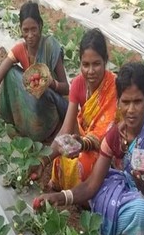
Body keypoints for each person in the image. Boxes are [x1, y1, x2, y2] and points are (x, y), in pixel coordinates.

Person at [37, 62, 144, 235]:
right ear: (118, 102)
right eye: (125, 102)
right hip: (129, 194)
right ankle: (128, 231)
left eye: (137, 102)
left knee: (142, 211)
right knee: (100, 189)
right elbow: (91, 185)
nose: (131, 110)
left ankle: (132, 234)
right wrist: (59, 198)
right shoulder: (116, 135)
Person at [0, 1, 69, 142]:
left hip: (56, 104)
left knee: (42, 90)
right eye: (26, 30)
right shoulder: (19, 50)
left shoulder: (50, 46)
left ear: (41, 27)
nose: (30, 35)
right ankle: (22, 123)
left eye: (34, 29)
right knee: (10, 72)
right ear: (20, 30)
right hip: (35, 103)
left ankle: (48, 129)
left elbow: (66, 88)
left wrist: (51, 83)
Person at [34, 28, 117, 191]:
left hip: (107, 147)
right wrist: (44, 160)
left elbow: (107, 134)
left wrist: (83, 144)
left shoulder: (114, 86)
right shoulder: (78, 83)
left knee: (84, 165)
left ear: (105, 61)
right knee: (61, 155)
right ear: (80, 63)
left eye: (96, 64)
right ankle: (63, 189)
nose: (91, 71)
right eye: (85, 65)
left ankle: (84, 197)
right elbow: (66, 128)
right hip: (82, 138)